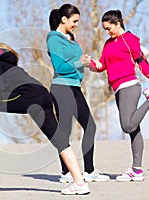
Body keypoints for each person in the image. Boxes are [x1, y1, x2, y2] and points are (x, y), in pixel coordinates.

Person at [0, 30, 90, 194]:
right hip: (41, 94)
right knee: (60, 141)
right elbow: (0, 82)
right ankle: (80, 184)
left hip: (26, 96)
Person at [85, 10, 149, 182]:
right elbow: (102, 65)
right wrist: (90, 63)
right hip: (118, 89)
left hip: (129, 85)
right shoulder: (108, 44)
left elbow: (142, 62)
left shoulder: (129, 39)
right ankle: (136, 170)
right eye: (105, 29)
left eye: (109, 28)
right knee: (134, 128)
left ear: (118, 24)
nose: (107, 32)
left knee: (127, 126)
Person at [46, 3, 110, 183]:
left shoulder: (71, 38)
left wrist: (87, 62)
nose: (76, 24)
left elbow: (76, 60)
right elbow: (59, 67)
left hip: (74, 87)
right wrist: (79, 63)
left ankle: (89, 171)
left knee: (90, 126)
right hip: (61, 88)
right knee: (65, 131)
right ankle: (66, 173)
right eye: (74, 21)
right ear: (63, 19)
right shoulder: (53, 38)